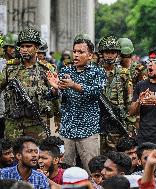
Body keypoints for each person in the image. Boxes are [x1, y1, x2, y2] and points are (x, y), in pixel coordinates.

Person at [47, 34, 106, 174]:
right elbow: (55, 96)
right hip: (67, 130)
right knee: (63, 172)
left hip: (88, 131)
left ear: (90, 55)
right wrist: (55, 89)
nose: (76, 55)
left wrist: (74, 85)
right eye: (75, 51)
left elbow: (97, 92)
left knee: (93, 172)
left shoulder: (97, 72)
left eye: (81, 52)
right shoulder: (66, 71)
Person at [0, 27, 56, 140]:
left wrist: (56, 90)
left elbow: (56, 99)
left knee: (36, 156)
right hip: (14, 125)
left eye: (28, 46)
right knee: (13, 157)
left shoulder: (46, 69)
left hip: (37, 125)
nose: (24, 49)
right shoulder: (10, 68)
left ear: (36, 48)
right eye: (22, 46)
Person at [97, 35, 133, 147]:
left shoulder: (124, 73)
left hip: (117, 122)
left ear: (117, 54)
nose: (109, 56)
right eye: (107, 52)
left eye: (113, 52)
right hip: (97, 123)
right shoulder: (94, 72)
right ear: (102, 53)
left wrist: (130, 124)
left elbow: (129, 100)